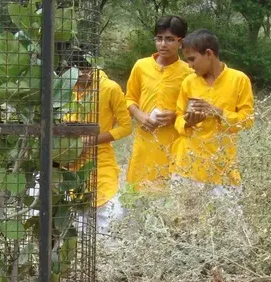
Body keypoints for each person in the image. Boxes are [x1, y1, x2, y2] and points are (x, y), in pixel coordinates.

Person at [173, 30, 253, 191]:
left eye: (192, 59)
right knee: (184, 217)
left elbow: (248, 120)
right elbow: (178, 117)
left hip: (223, 170)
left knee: (227, 216)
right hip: (187, 168)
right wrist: (187, 123)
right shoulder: (189, 82)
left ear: (209, 53)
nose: (189, 65)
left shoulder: (239, 80)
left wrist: (218, 112)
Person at [125, 16, 192, 187]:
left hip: (172, 144)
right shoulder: (141, 66)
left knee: (167, 196)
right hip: (144, 141)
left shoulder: (189, 72)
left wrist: (175, 116)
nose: (163, 44)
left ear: (181, 42)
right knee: (136, 193)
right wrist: (139, 115)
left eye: (169, 39)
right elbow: (129, 98)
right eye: (159, 38)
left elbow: (191, 110)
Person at [71, 58, 132, 238]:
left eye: (81, 71)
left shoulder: (109, 88)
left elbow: (126, 127)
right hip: (71, 163)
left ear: (87, 69)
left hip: (100, 158)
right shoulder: (64, 89)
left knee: (109, 213)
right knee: (78, 220)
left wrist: (92, 140)